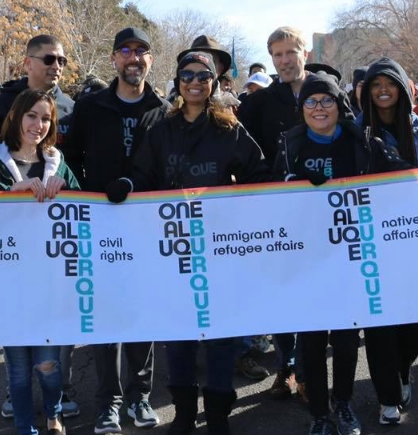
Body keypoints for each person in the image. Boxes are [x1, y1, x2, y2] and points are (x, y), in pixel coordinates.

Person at [104, 50, 271, 435]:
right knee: (178, 337)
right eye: (187, 76)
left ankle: (217, 415)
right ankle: (182, 414)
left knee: (220, 338)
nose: (195, 82)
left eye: (203, 76)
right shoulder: (161, 129)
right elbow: (142, 176)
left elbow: (258, 175)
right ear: (177, 82)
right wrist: (126, 187)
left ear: (214, 83)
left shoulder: (230, 130)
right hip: (172, 252)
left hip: (218, 252)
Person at [0, 33, 80, 420]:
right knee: (16, 366)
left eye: (46, 119)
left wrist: (68, 191)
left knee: (48, 362)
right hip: (7, 273)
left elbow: (83, 209)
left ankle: (53, 413)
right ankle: (25, 427)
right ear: (16, 116)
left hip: (48, 276)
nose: (38, 124)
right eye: (31, 116)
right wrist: (10, 191)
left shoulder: (57, 161)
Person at [63, 27, 168, 434]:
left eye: (141, 51)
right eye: (125, 50)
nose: (133, 58)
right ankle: (108, 402)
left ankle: (139, 397)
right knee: (106, 317)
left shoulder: (162, 108)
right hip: (101, 224)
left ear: (150, 60)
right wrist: (79, 198)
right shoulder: (91, 107)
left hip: (146, 226)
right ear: (114, 59)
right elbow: (67, 160)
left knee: (141, 315)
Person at [274, 71, 389, 435]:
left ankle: (344, 405)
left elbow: (402, 177)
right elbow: (265, 193)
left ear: (339, 105)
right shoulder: (290, 147)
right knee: (310, 340)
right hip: (306, 258)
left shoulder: (363, 141)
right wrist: (291, 184)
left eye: (326, 100)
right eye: (311, 101)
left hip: (350, 256)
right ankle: (320, 414)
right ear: (301, 108)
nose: (319, 107)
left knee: (344, 338)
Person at [237, 26, 311, 401]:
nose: (284, 61)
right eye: (277, 55)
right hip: (275, 210)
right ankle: (286, 366)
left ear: (305, 53)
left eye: (290, 53)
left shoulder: (325, 90)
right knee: (282, 294)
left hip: (318, 211)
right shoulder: (260, 103)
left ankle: (311, 371)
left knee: (314, 291)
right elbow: (241, 150)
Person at [356, 57, 418, 426]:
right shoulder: (355, 129)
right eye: (375, 84)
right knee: (381, 322)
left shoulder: (417, 127)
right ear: (367, 92)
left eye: (390, 83)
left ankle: (401, 371)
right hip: (371, 238)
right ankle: (388, 397)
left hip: (415, 234)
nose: (383, 90)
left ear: (402, 88)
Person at [0, 34, 75, 166]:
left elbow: (78, 160)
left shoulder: (72, 109)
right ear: (28, 63)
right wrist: (9, 184)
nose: (56, 66)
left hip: (60, 186)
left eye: (61, 61)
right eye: (49, 59)